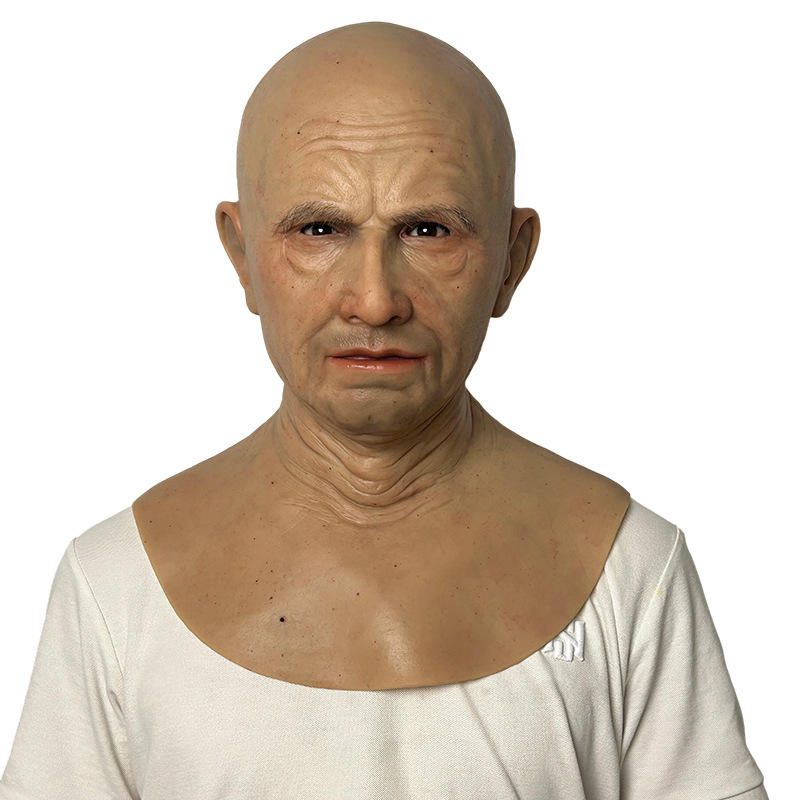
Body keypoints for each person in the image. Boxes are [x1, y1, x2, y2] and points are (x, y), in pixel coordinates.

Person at [0, 20, 768, 800]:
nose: (374, 300)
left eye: (428, 230)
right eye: (319, 229)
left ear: (513, 260)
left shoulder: (629, 567)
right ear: (242, 255)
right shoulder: (117, 585)